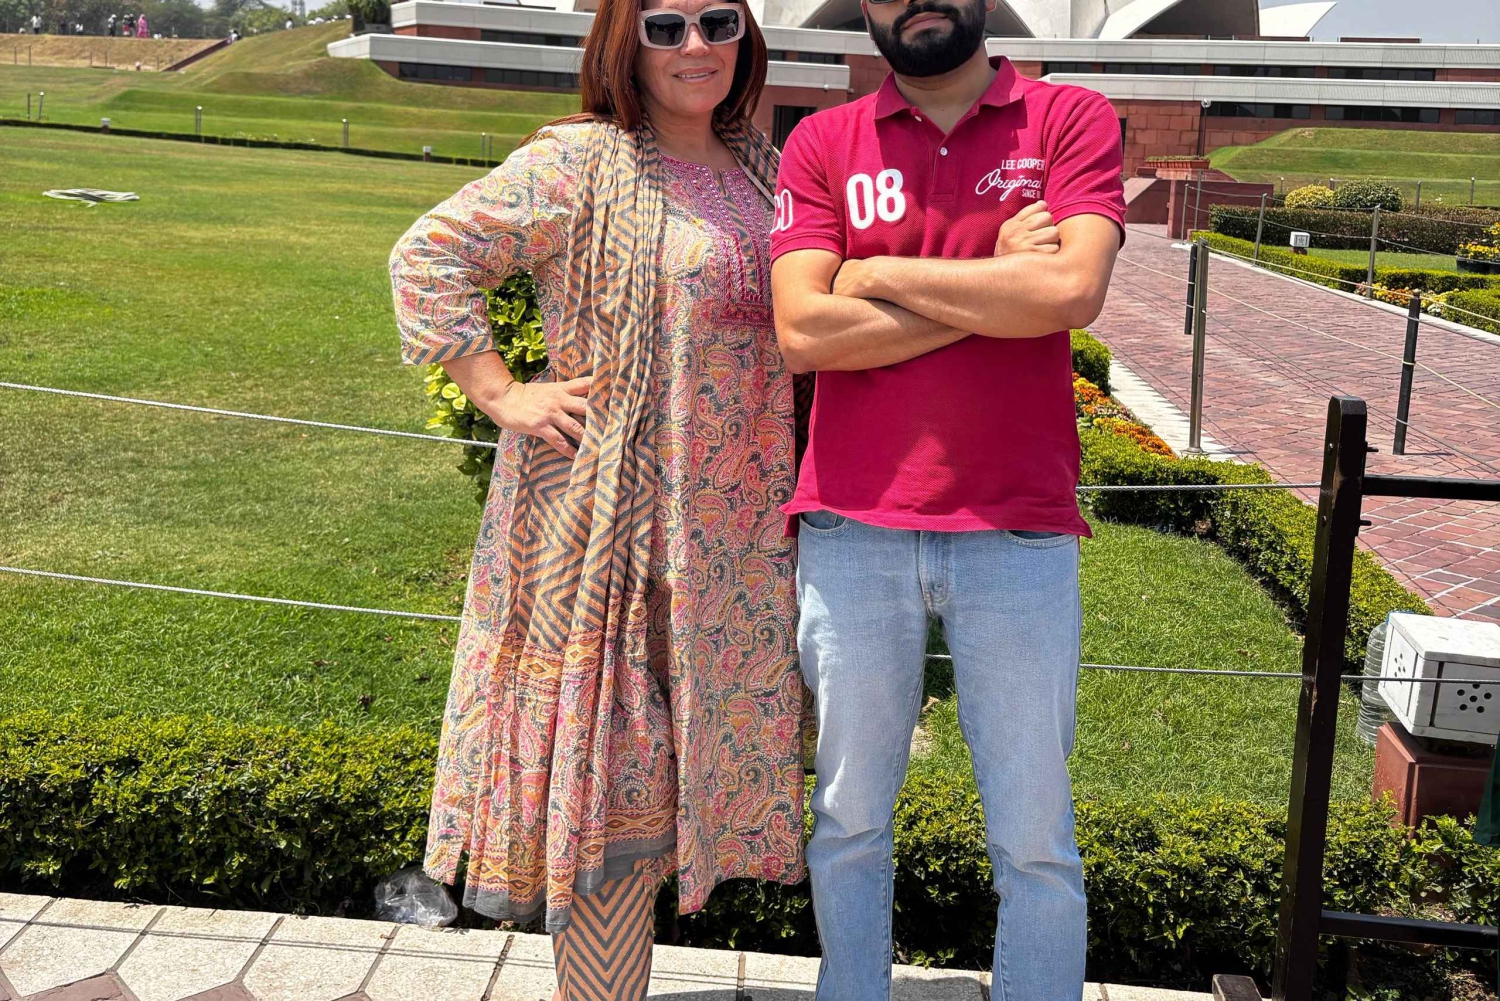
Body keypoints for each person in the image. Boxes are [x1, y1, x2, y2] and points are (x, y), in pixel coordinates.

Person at [388, 0, 810, 996]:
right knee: (610, 793)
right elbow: (428, 255)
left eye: (718, 21)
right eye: (666, 26)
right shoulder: (580, 162)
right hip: (612, 529)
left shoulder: (764, 166)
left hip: (736, 538)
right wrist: (502, 392)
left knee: (676, 787)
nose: (697, 46)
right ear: (626, 42)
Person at [768, 0, 1127, 996]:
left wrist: (878, 273)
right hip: (853, 522)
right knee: (847, 817)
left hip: (1017, 526)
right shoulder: (823, 141)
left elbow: (1070, 293)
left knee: (1035, 835)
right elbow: (805, 332)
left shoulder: (1066, 118)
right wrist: (995, 279)